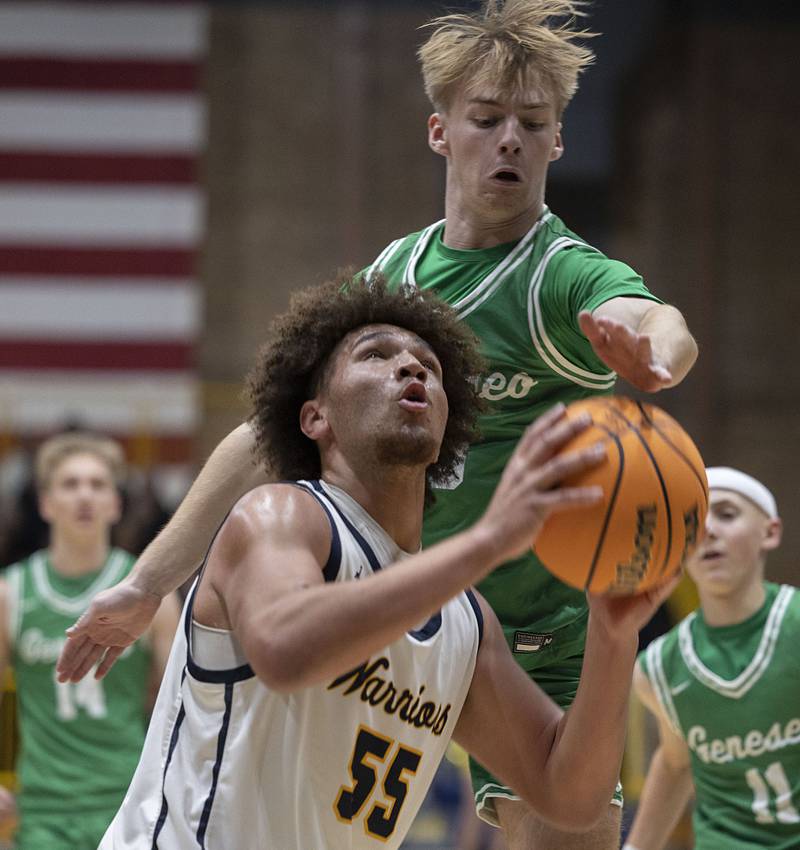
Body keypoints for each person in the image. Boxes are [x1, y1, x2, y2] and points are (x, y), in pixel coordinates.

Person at [58, 3, 698, 847]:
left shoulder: (559, 273)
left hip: (527, 622)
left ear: (557, 144)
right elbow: (262, 436)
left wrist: (655, 355)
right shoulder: (393, 283)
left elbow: (659, 321)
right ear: (441, 132)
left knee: (560, 819)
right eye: (488, 119)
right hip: (389, 580)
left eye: (532, 124)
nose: (510, 139)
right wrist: (147, 584)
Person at [96, 277, 675, 849]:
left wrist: (613, 631)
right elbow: (285, 647)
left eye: (431, 365)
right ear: (314, 418)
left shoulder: (464, 620)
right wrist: (490, 541)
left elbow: (569, 796)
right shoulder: (279, 517)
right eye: (376, 354)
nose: (411, 367)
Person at [0, 432, 181, 850]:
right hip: (44, 810)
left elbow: (175, 704)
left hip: (127, 800)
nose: (85, 495)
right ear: (46, 503)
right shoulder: (13, 592)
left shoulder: (151, 594)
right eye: (70, 483)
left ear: (115, 503)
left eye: (98, 484)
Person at [625, 467, 799, 850]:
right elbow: (675, 762)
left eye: (726, 513)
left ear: (770, 532)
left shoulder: (794, 623)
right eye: (693, 520)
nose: (707, 530)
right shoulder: (660, 667)